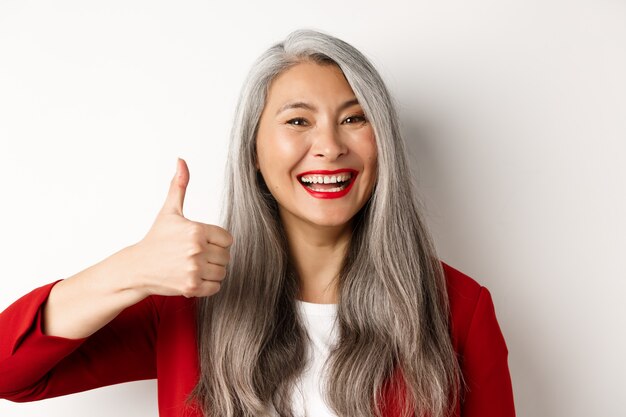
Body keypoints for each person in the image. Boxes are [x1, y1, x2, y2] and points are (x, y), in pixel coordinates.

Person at [0, 29, 515, 417]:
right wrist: (131, 270)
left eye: (355, 118)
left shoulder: (458, 309)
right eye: (297, 121)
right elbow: (10, 371)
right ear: (253, 152)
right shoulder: (188, 301)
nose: (330, 146)